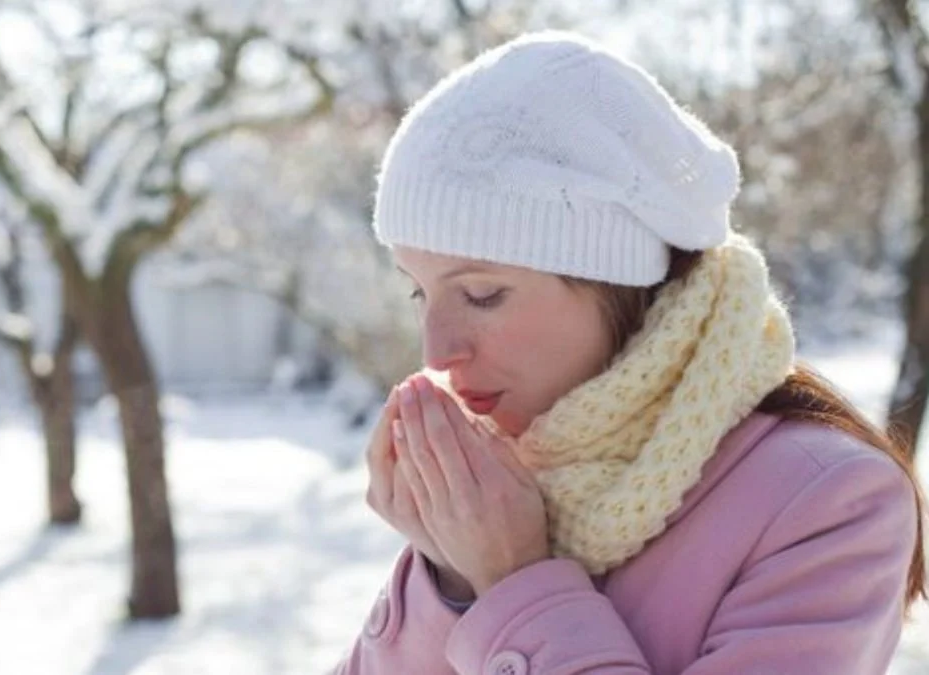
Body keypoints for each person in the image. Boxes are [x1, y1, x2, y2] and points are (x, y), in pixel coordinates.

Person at [333, 30, 926, 675]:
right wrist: (448, 580)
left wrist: (512, 582)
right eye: (420, 293)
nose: (437, 351)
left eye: (481, 295)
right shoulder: (508, 479)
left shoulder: (826, 502)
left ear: (615, 284)